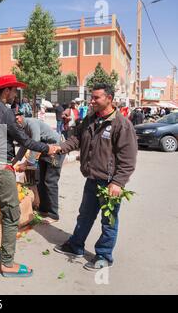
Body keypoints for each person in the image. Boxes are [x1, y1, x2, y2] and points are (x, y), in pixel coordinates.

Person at [0, 74, 57, 278]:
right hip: (0, 170)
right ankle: (7, 263)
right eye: (14, 91)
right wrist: (48, 147)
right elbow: (25, 141)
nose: (15, 95)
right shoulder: (5, 112)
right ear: (6, 90)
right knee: (12, 215)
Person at [53, 83, 138, 271]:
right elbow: (77, 138)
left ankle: (104, 256)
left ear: (109, 98)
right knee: (85, 216)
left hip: (110, 183)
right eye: (91, 97)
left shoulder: (122, 125)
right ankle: (76, 246)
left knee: (109, 221)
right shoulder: (91, 119)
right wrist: (61, 148)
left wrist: (117, 182)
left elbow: (128, 159)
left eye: (96, 97)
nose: (91, 101)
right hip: (92, 178)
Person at [13, 111, 65, 224]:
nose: (17, 122)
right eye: (14, 121)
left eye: (17, 119)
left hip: (56, 149)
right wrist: (14, 162)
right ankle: (43, 209)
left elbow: (35, 143)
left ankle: (53, 214)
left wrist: (26, 163)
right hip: (45, 150)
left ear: (21, 117)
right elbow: (25, 146)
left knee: (50, 181)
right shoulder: (23, 129)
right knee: (40, 180)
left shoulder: (32, 123)